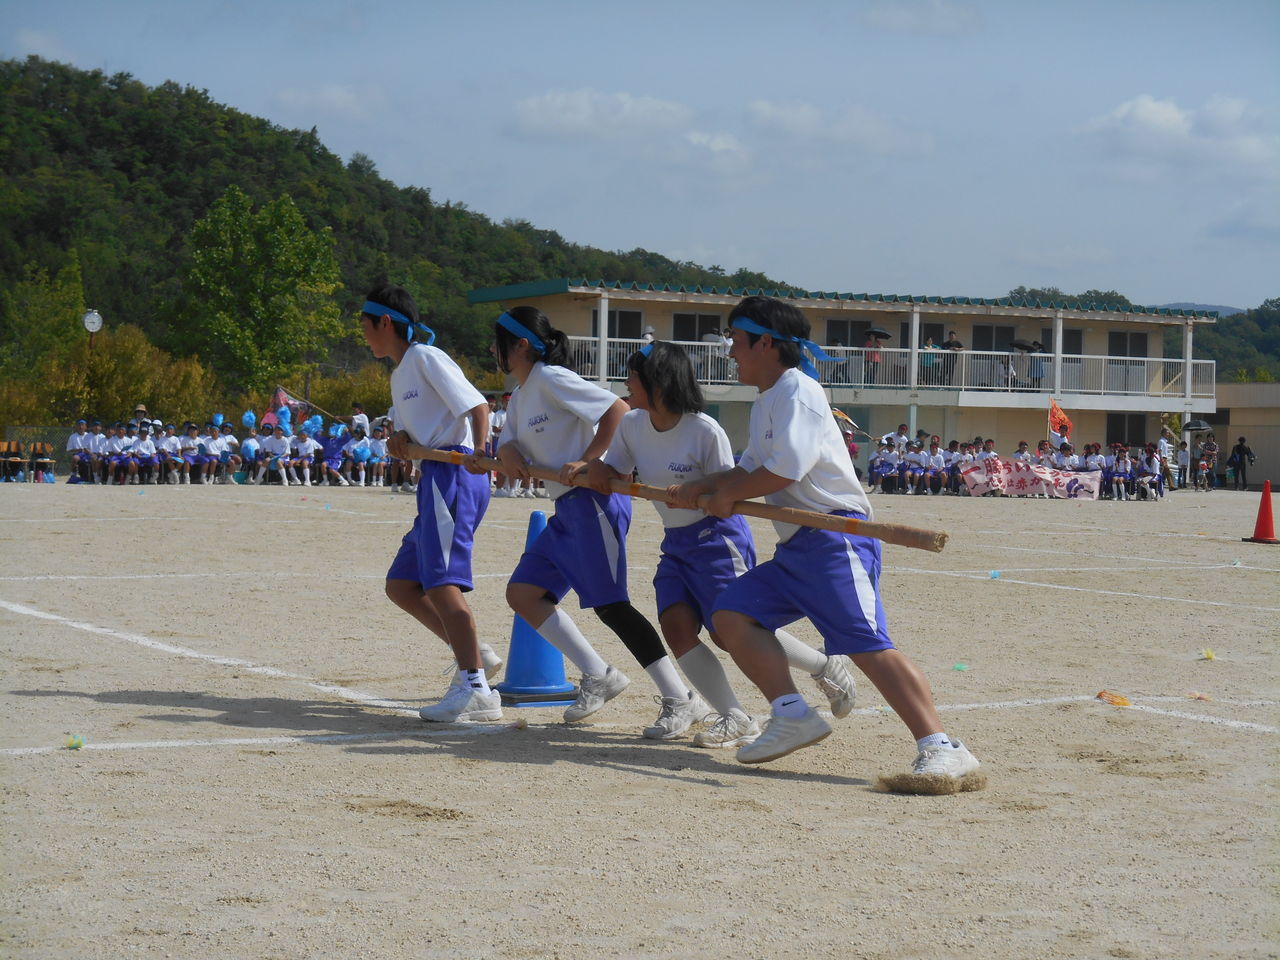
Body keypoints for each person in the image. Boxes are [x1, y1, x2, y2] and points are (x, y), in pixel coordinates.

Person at [670, 295, 980, 780]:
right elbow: (750, 467)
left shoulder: (798, 390)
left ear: (765, 342)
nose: (730, 352)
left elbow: (786, 467)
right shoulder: (768, 398)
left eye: (736, 340)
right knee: (731, 615)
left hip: (836, 540)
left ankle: (942, 745)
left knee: (867, 645)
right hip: (798, 546)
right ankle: (792, 713)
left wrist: (725, 497)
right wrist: (703, 488)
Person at [587, 341, 857, 745]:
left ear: (658, 381)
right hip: (675, 541)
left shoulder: (703, 430)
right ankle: (734, 715)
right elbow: (615, 469)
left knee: (727, 629)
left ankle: (822, 665)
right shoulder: (632, 423)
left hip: (716, 539)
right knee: (676, 626)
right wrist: (594, 469)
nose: (626, 382)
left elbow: (730, 491)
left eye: (632, 375)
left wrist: (701, 495)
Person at [494, 305, 654, 725]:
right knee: (524, 593)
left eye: (498, 344)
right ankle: (599, 674)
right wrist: (507, 454)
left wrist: (588, 461)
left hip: (593, 501)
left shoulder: (550, 378)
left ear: (520, 345)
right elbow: (508, 444)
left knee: (612, 605)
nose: (494, 352)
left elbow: (617, 411)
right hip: (566, 507)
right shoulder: (522, 393)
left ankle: (679, 695)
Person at [360, 284, 503, 723]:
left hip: (457, 477)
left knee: (442, 585)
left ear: (385, 322)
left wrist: (481, 453)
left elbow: (477, 405)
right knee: (402, 585)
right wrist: (400, 442)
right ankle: (474, 654)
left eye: (364, 325)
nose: (362, 335)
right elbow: (410, 436)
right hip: (434, 482)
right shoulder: (399, 373)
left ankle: (476, 688)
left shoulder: (425, 357)